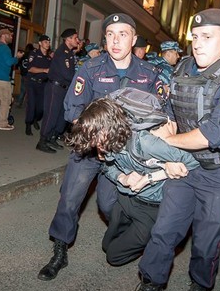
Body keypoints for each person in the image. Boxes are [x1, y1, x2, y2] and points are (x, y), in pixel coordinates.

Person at [114, 8, 220, 291]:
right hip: (185, 167)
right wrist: (165, 142)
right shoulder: (182, 67)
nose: (198, 44)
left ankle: (200, 284)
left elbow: (213, 134)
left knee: (207, 241)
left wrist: (171, 141)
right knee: (164, 230)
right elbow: (170, 113)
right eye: (195, 37)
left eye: (207, 37)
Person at [37, 13, 163, 281]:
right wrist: (96, 138)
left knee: (108, 204)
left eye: (122, 34)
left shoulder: (149, 74)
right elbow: (72, 109)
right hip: (90, 148)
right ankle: (60, 249)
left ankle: (123, 235)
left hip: (124, 155)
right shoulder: (90, 68)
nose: (116, 41)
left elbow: (158, 115)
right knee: (70, 197)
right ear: (104, 39)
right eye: (110, 35)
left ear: (134, 38)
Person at [67, 91, 199, 266]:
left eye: (94, 137)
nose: (93, 144)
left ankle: (152, 241)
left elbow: (193, 162)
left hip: (150, 208)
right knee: (107, 246)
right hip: (125, 200)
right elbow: (107, 167)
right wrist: (122, 177)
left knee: (113, 257)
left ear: (108, 129)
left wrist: (154, 174)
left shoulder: (146, 143)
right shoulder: (106, 142)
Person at [37, 28, 81, 153]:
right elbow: (67, 74)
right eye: (75, 38)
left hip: (63, 88)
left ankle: (52, 137)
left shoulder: (69, 53)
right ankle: (42, 141)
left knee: (60, 116)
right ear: (68, 39)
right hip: (55, 88)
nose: (77, 41)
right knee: (51, 115)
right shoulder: (62, 52)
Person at [0, 27, 22, 130]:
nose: (11, 37)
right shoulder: (5, 48)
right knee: (5, 100)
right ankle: (3, 123)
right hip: (2, 78)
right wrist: (17, 58)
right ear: (3, 35)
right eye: (10, 35)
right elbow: (9, 62)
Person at [24, 34, 51, 136]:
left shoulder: (49, 58)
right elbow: (30, 68)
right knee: (31, 104)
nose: (47, 44)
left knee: (41, 108)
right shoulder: (34, 53)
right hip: (32, 82)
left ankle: (35, 119)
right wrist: (44, 70)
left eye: (48, 42)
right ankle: (28, 124)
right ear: (40, 43)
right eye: (45, 42)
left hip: (43, 84)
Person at [16, 43, 34, 108]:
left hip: (23, 74)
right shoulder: (32, 57)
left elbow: (18, 64)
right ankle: (28, 104)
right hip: (29, 75)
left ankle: (19, 102)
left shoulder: (23, 56)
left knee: (22, 90)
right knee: (29, 91)